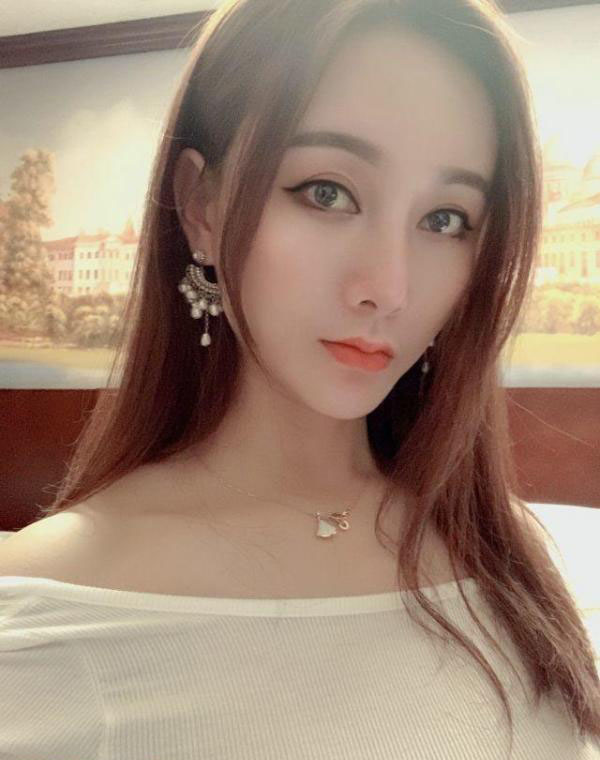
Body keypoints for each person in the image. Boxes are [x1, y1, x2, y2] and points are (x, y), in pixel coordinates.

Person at [1, 0, 599, 757]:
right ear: (202, 206)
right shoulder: (42, 620)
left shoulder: (510, 548)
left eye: (445, 218)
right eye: (327, 192)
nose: (388, 287)